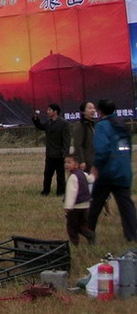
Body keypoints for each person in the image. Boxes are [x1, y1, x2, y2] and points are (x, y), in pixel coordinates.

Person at [87, 99, 137, 242]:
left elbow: (102, 149)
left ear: (100, 111)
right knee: (127, 206)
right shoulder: (121, 124)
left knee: (95, 205)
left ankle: (90, 234)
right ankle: (132, 235)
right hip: (123, 172)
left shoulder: (102, 126)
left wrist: (96, 167)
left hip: (107, 173)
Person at [32, 103, 71, 196]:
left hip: (59, 154)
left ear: (55, 111)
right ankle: (46, 191)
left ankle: (61, 191)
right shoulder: (49, 122)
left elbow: (66, 140)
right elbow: (40, 126)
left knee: (60, 175)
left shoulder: (64, 123)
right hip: (50, 154)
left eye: (50, 110)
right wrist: (36, 119)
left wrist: (65, 153)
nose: (48, 111)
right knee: (47, 174)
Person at [63, 154, 96, 246]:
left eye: (69, 162)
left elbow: (71, 193)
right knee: (82, 225)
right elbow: (91, 179)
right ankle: (89, 234)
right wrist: (94, 173)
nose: (66, 164)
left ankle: (75, 243)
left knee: (71, 227)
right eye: (65, 162)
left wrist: (68, 207)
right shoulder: (82, 173)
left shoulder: (73, 177)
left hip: (75, 207)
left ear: (77, 165)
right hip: (86, 205)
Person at [73, 100, 98, 174]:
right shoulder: (80, 126)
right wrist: (82, 161)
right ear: (83, 112)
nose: (93, 110)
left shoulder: (94, 125)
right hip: (86, 162)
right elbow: (78, 145)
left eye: (93, 108)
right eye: (89, 108)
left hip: (95, 160)